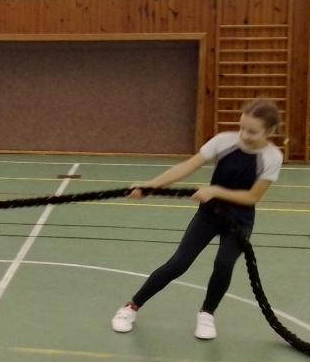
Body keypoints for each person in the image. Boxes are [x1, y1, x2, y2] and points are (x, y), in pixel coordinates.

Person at [111, 98, 282, 339]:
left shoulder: (272, 157)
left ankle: (207, 314)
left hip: (239, 220)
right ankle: (131, 306)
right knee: (179, 263)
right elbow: (186, 167)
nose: (244, 135)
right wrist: (149, 186)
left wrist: (215, 191)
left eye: (252, 132)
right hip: (209, 216)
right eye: (242, 128)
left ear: (270, 131)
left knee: (224, 265)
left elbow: (252, 197)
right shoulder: (224, 142)